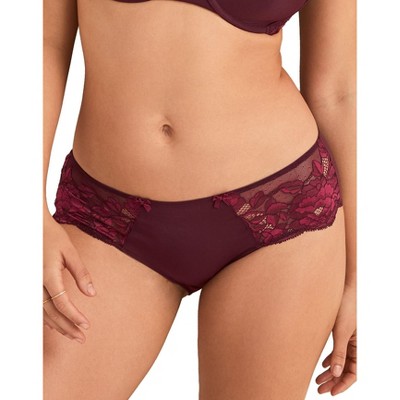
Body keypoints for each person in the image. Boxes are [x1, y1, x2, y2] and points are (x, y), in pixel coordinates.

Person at [43, 0, 356, 398]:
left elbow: (337, 92)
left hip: (279, 214)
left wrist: (358, 276)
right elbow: (44, 44)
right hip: (107, 217)